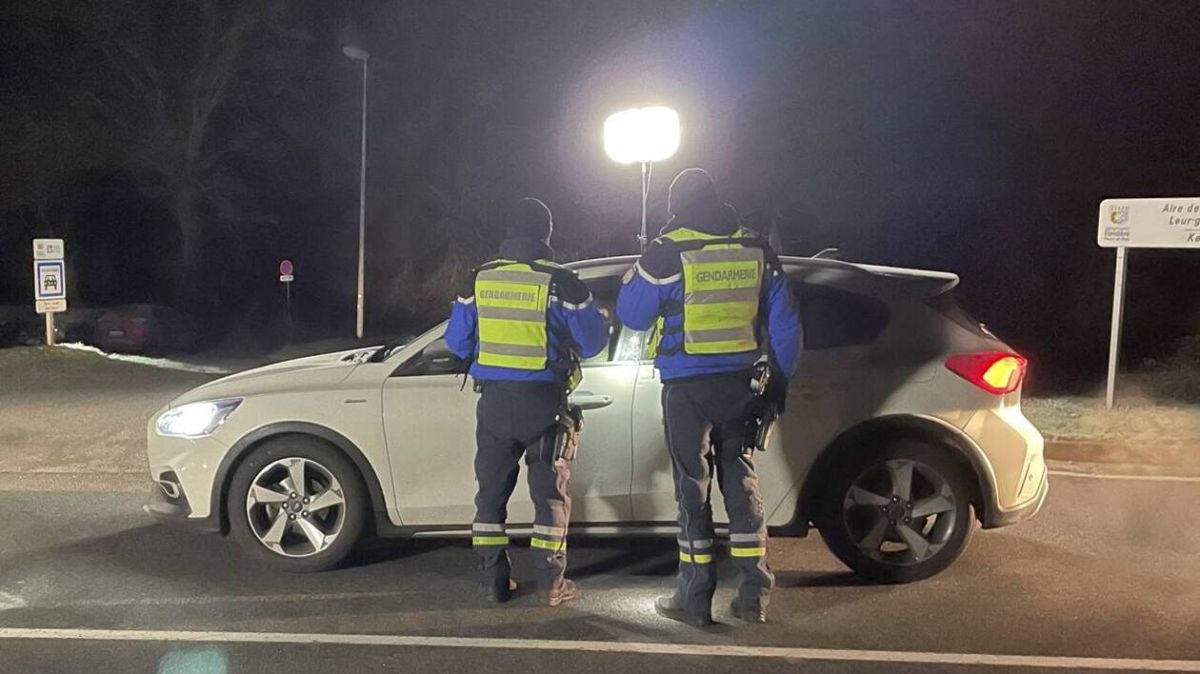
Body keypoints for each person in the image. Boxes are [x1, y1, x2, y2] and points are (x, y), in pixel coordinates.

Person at [616, 168, 801, 626]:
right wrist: (778, 384)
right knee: (741, 484)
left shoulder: (668, 252)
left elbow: (633, 316)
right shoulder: (757, 249)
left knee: (691, 491)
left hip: (687, 390)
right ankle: (754, 597)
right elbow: (787, 327)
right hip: (741, 386)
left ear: (677, 206)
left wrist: (638, 271)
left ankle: (695, 600)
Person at [445, 197, 610, 606]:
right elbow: (592, 343)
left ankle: (493, 583)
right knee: (550, 497)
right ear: (546, 234)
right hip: (545, 408)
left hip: (496, 406)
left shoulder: (478, 280)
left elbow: (456, 341)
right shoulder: (562, 282)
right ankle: (552, 585)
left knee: (490, 497)